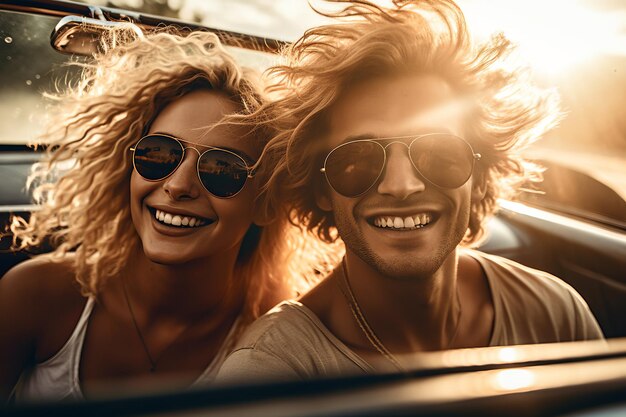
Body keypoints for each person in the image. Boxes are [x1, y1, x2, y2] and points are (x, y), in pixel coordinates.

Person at [215, 0, 604, 382]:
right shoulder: (270, 374)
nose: (401, 186)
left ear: (480, 173)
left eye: (439, 153)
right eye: (359, 159)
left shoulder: (554, 313)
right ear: (322, 189)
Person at [0, 26, 298, 402]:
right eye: (159, 154)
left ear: (266, 203)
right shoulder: (35, 294)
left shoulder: (271, 345)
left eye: (222, 169)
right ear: (128, 169)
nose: (178, 185)